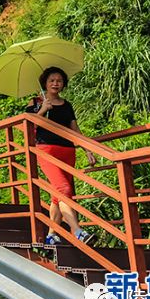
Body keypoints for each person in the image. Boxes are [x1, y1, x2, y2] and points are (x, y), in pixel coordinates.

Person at [25, 66, 97, 245]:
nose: (55, 83)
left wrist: (87, 149)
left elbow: (75, 129)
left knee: (58, 195)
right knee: (64, 189)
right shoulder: (34, 103)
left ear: (63, 84)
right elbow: (26, 128)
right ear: (45, 83)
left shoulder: (67, 105)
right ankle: (77, 231)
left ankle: (51, 234)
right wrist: (41, 110)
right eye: (52, 80)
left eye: (59, 80)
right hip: (46, 150)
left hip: (68, 151)